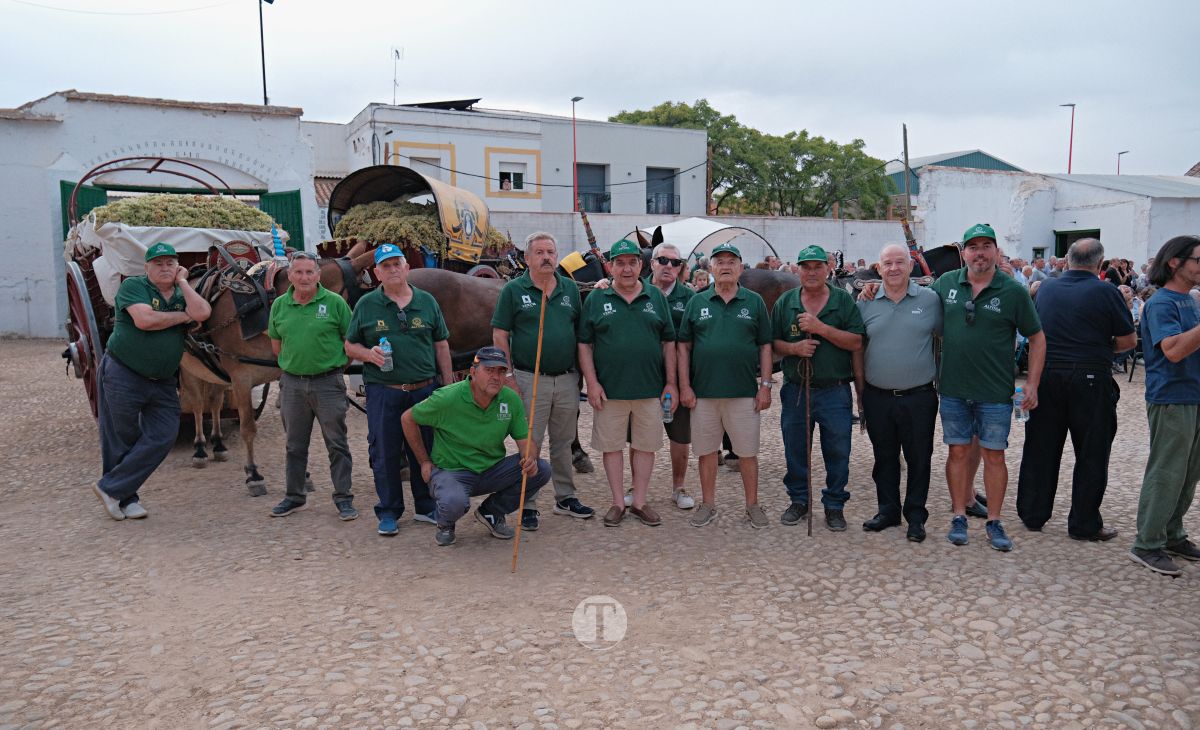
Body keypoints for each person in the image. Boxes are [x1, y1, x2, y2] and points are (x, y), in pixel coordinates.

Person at [932, 224, 1044, 551]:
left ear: (996, 251)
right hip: (953, 388)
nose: (979, 252)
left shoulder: (1013, 291)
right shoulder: (946, 284)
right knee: (957, 452)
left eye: (986, 246)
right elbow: (913, 301)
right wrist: (869, 290)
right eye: (973, 247)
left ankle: (994, 521)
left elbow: (1037, 338)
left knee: (995, 455)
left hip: (994, 391)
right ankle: (958, 515)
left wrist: (1032, 384)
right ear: (963, 252)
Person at [1015, 239, 1134, 541]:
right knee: (1092, 452)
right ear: (1099, 263)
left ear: (1066, 261)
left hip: (1048, 374)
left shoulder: (1047, 288)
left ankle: (1032, 513)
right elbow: (1128, 341)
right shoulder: (1107, 291)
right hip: (1090, 377)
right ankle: (1084, 524)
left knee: (1041, 447)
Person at [91, 242, 211, 520]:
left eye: (170, 263)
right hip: (124, 373)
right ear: (146, 268)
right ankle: (126, 498)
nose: (165, 268)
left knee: (164, 435)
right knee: (121, 437)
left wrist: (183, 282)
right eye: (158, 263)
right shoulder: (134, 286)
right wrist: (183, 316)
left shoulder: (182, 291)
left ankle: (110, 488)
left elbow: (203, 313)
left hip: (163, 380)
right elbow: (145, 320)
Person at [345, 244, 453, 536]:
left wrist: (448, 385)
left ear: (407, 269)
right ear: (377, 273)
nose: (392, 269)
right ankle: (390, 511)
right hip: (384, 391)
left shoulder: (427, 302)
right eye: (386, 266)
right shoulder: (367, 305)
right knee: (385, 451)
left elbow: (441, 344)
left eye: (397, 264)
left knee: (427, 447)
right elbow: (350, 344)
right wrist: (368, 355)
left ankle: (426, 506)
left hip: (424, 389)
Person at [492, 232, 594, 529]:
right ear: (527, 258)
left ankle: (565, 497)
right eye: (539, 252)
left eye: (551, 251)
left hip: (565, 379)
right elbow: (499, 333)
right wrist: (508, 374)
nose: (547, 257)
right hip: (528, 376)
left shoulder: (569, 290)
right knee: (530, 442)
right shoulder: (513, 290)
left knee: (564, 442)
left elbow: (579, 335)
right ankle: (528, 501)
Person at [402, 347, 551, 546]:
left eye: (500, 371)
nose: (496, 377)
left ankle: (491, 512)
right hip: (453, 471)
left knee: (541, 469)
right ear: (473, 372)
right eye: (489, 370)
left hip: (491, 469)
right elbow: (407, 418)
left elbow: (526, 442)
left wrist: (529, 458)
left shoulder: (510, 399)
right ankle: (446, 523)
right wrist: (424, 462)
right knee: (454, 501)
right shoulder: (447, 397)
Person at [578, 238, 677, 527]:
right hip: (610, 390)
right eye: (619, 263)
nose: (626, 269)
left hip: (650, 389)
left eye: (632, 262)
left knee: (646, 446)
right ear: (610, 267)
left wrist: (671, 383)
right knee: (612, 447)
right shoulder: (597, 298)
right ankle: (618, 502)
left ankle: (641, 501)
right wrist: (592, 384)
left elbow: (668, 342)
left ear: (641, 265)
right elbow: (585, 344)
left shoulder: (656, 297)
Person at [677, 243, 773, 527]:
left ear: (741, 268)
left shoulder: (754, 302)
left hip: (743, 392)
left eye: (732, 261)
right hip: (704, 393)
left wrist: (765, 385)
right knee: (706, 452)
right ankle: (708, 504)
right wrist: (685, 386)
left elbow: (765, 346)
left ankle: (752, 505)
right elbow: (684, 348)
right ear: (711, 268)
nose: (726, 266)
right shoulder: (697, 302)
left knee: (747, 452)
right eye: (720, 262)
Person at [771, 245, 865, 531]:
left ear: (828, 268)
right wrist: (794, 347)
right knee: (795, 449)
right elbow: (773, 343)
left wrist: (822, 328)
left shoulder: (843, 301)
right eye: (806, 267)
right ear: (797, 270)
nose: (812, 272)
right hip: (797, 389)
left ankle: (834, 505)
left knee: (838, 451)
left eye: (817, 266)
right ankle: (799, 500)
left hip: (834, 390)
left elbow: (856, 342)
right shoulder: (785, 302)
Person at [853, 244, 942, 542]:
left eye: (899, 262)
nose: (893, 268)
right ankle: (888, 510)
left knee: (919, 458)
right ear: (878, 269)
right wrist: (860, 391)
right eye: (887, 263)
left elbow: (945, 337)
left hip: (919, 396)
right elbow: (858, 346)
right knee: (884, 457)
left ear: (910, 266)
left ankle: (915, 515)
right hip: (878, 395)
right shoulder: (864, 302)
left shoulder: (930, 300)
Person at [1129, 235, 1200, 575]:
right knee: (1168, 472)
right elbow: (1172, 350)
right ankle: (1147, 543)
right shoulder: (1161, 304)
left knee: (1188, 473)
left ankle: (1172, 533)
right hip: (1172, 397)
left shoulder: (1189, 301)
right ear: (1175, 262)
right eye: (1198, 260)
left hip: (1193, 395)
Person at [266, 252, 356, 520]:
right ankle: (294, 497)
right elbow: (276, 345)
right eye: (298, 272)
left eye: (309, 272)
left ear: (318, 275)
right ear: (290, 275)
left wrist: (336, 368)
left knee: (337, 443)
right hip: (292, 384)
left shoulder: (335, 303)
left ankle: (344, 498)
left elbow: (349, 342)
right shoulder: (280, 306)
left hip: (328, 383)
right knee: (294, 445)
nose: (304, 277)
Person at [631, 242, 697, 509]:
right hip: (642, 378)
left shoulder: (689, 298)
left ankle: (678, 487)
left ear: (681, 268)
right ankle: (636, 487)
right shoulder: (633, 290)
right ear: (652, 263)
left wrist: (686, 384)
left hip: (678, 380)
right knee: (638, 436)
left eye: (675, 262)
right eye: (663, 261)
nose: (669, 266)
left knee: (680, 436)